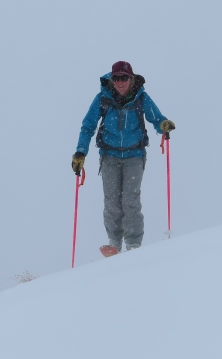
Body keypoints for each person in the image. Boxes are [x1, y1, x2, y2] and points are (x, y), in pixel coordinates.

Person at [72, 61, 175, 254]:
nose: (120, 82)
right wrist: (80, 152)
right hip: (109, 155)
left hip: (134, 155)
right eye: (116, 78)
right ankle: (114, 242)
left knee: (130, 199)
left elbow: (156, 118)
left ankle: (133, 244)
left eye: (124, 78)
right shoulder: (103, 99)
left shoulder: (141, 98)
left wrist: (164, 124)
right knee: (111, 200)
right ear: (112, 79)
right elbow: (88, 126)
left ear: (131, 78)